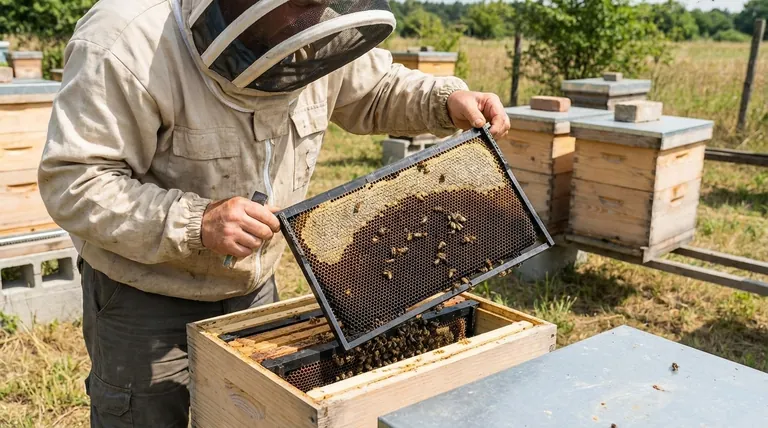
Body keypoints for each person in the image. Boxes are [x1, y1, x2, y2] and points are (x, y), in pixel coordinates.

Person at [37, 0, 510, 426]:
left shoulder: (313, 22)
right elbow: (76, 181)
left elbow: (375, 87)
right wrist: (196, 222)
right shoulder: (124, 40)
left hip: (254, 289)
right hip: (146, 296)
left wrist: (442, 100)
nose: (310, 19)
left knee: (253, 416)